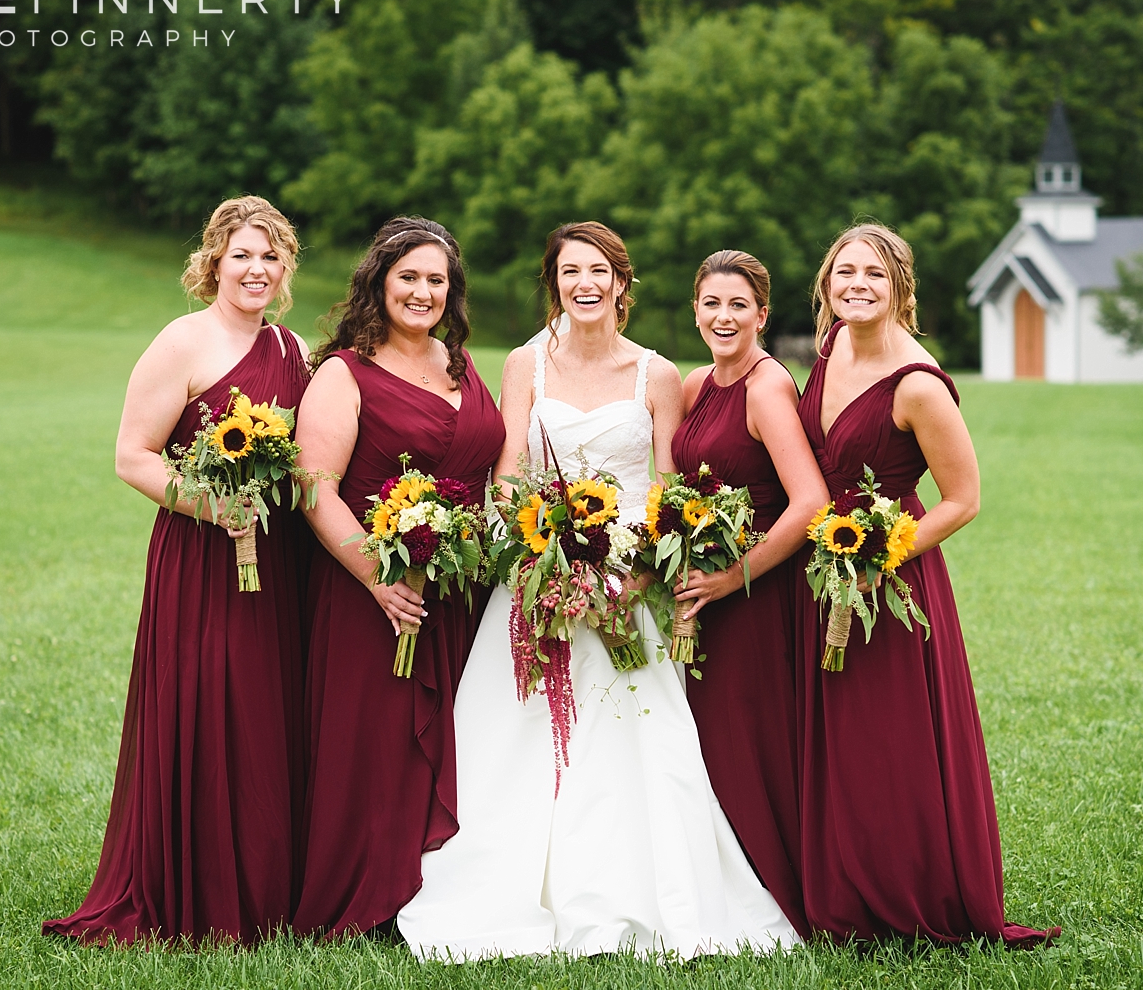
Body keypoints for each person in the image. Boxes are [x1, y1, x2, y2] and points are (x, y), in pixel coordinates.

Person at [397, 222, 800, 959]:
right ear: (554, 282)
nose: (584, 283)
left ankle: (637, 889)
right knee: (513, 738)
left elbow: (669, 484)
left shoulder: (658, 374)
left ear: (622, 283)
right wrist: (535, 544)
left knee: (632, 738)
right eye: (569, 270)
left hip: (627, 584)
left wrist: (639, 566)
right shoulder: (526, 363)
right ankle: (510, 885)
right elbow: (511, 467)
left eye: (599, 271)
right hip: (538, 575)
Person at [43, 196, 311, 945]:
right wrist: (209, 506)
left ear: (285, 266)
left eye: (270, 256)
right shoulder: (182, 341)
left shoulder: (292, 351)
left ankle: (266, 890)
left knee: (266, 711)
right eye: (242, 256)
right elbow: (132, 453)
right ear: (214, 262)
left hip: (276, 561)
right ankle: (188, 886)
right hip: (201, 555)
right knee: (207, 704)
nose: (255, 269)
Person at [794, 223, 1058, 946]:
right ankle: (844, 889)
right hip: (821, 568)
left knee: (891, 739)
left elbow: (964, 497)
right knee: (840, 738)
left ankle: (910, 896)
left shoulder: (916, 383)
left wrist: (881, 552)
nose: (857, 284)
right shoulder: (831, 348)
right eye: (844, 271)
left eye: (874, 275)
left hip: (891, 580)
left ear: (900, 288)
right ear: (825, 283)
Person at [291, 217, 505, 939]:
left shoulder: (462, 365)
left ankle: (439, 887)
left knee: (460, 738)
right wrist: (378, 578)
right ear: (379, 282)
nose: (422, 291)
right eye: (408, 276)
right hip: (372, 594)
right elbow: (315, 488)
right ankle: (370, 891)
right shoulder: (343, 373)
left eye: (436, 279)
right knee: (376, 743)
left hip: (460, 592)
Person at [670, 251, 828, 939]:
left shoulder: (767, 388)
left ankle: (775, 885)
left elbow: (809, 502)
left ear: (762, 314)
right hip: (702, 591)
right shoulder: (694, 382)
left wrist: (732, 577)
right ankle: (718, 879)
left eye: (739, 305)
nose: (723, 317)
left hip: (758, 596)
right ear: (696, 310)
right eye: (712, 304)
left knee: (748, 743)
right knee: (705, 742)